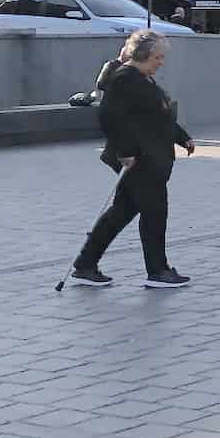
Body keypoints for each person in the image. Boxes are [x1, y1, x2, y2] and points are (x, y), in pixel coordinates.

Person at [67, 30, 195, 289]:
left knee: (122, 211)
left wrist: (182, 137)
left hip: (148, 157)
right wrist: (125, 152)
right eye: (158, 57)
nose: (161, 62)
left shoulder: (143, 78)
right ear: (144, 55)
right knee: (154, 212)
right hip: (139, 159)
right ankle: (157, 270)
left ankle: (85, 264)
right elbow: (110, 117)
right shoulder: (125, 78)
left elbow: (159, 116)